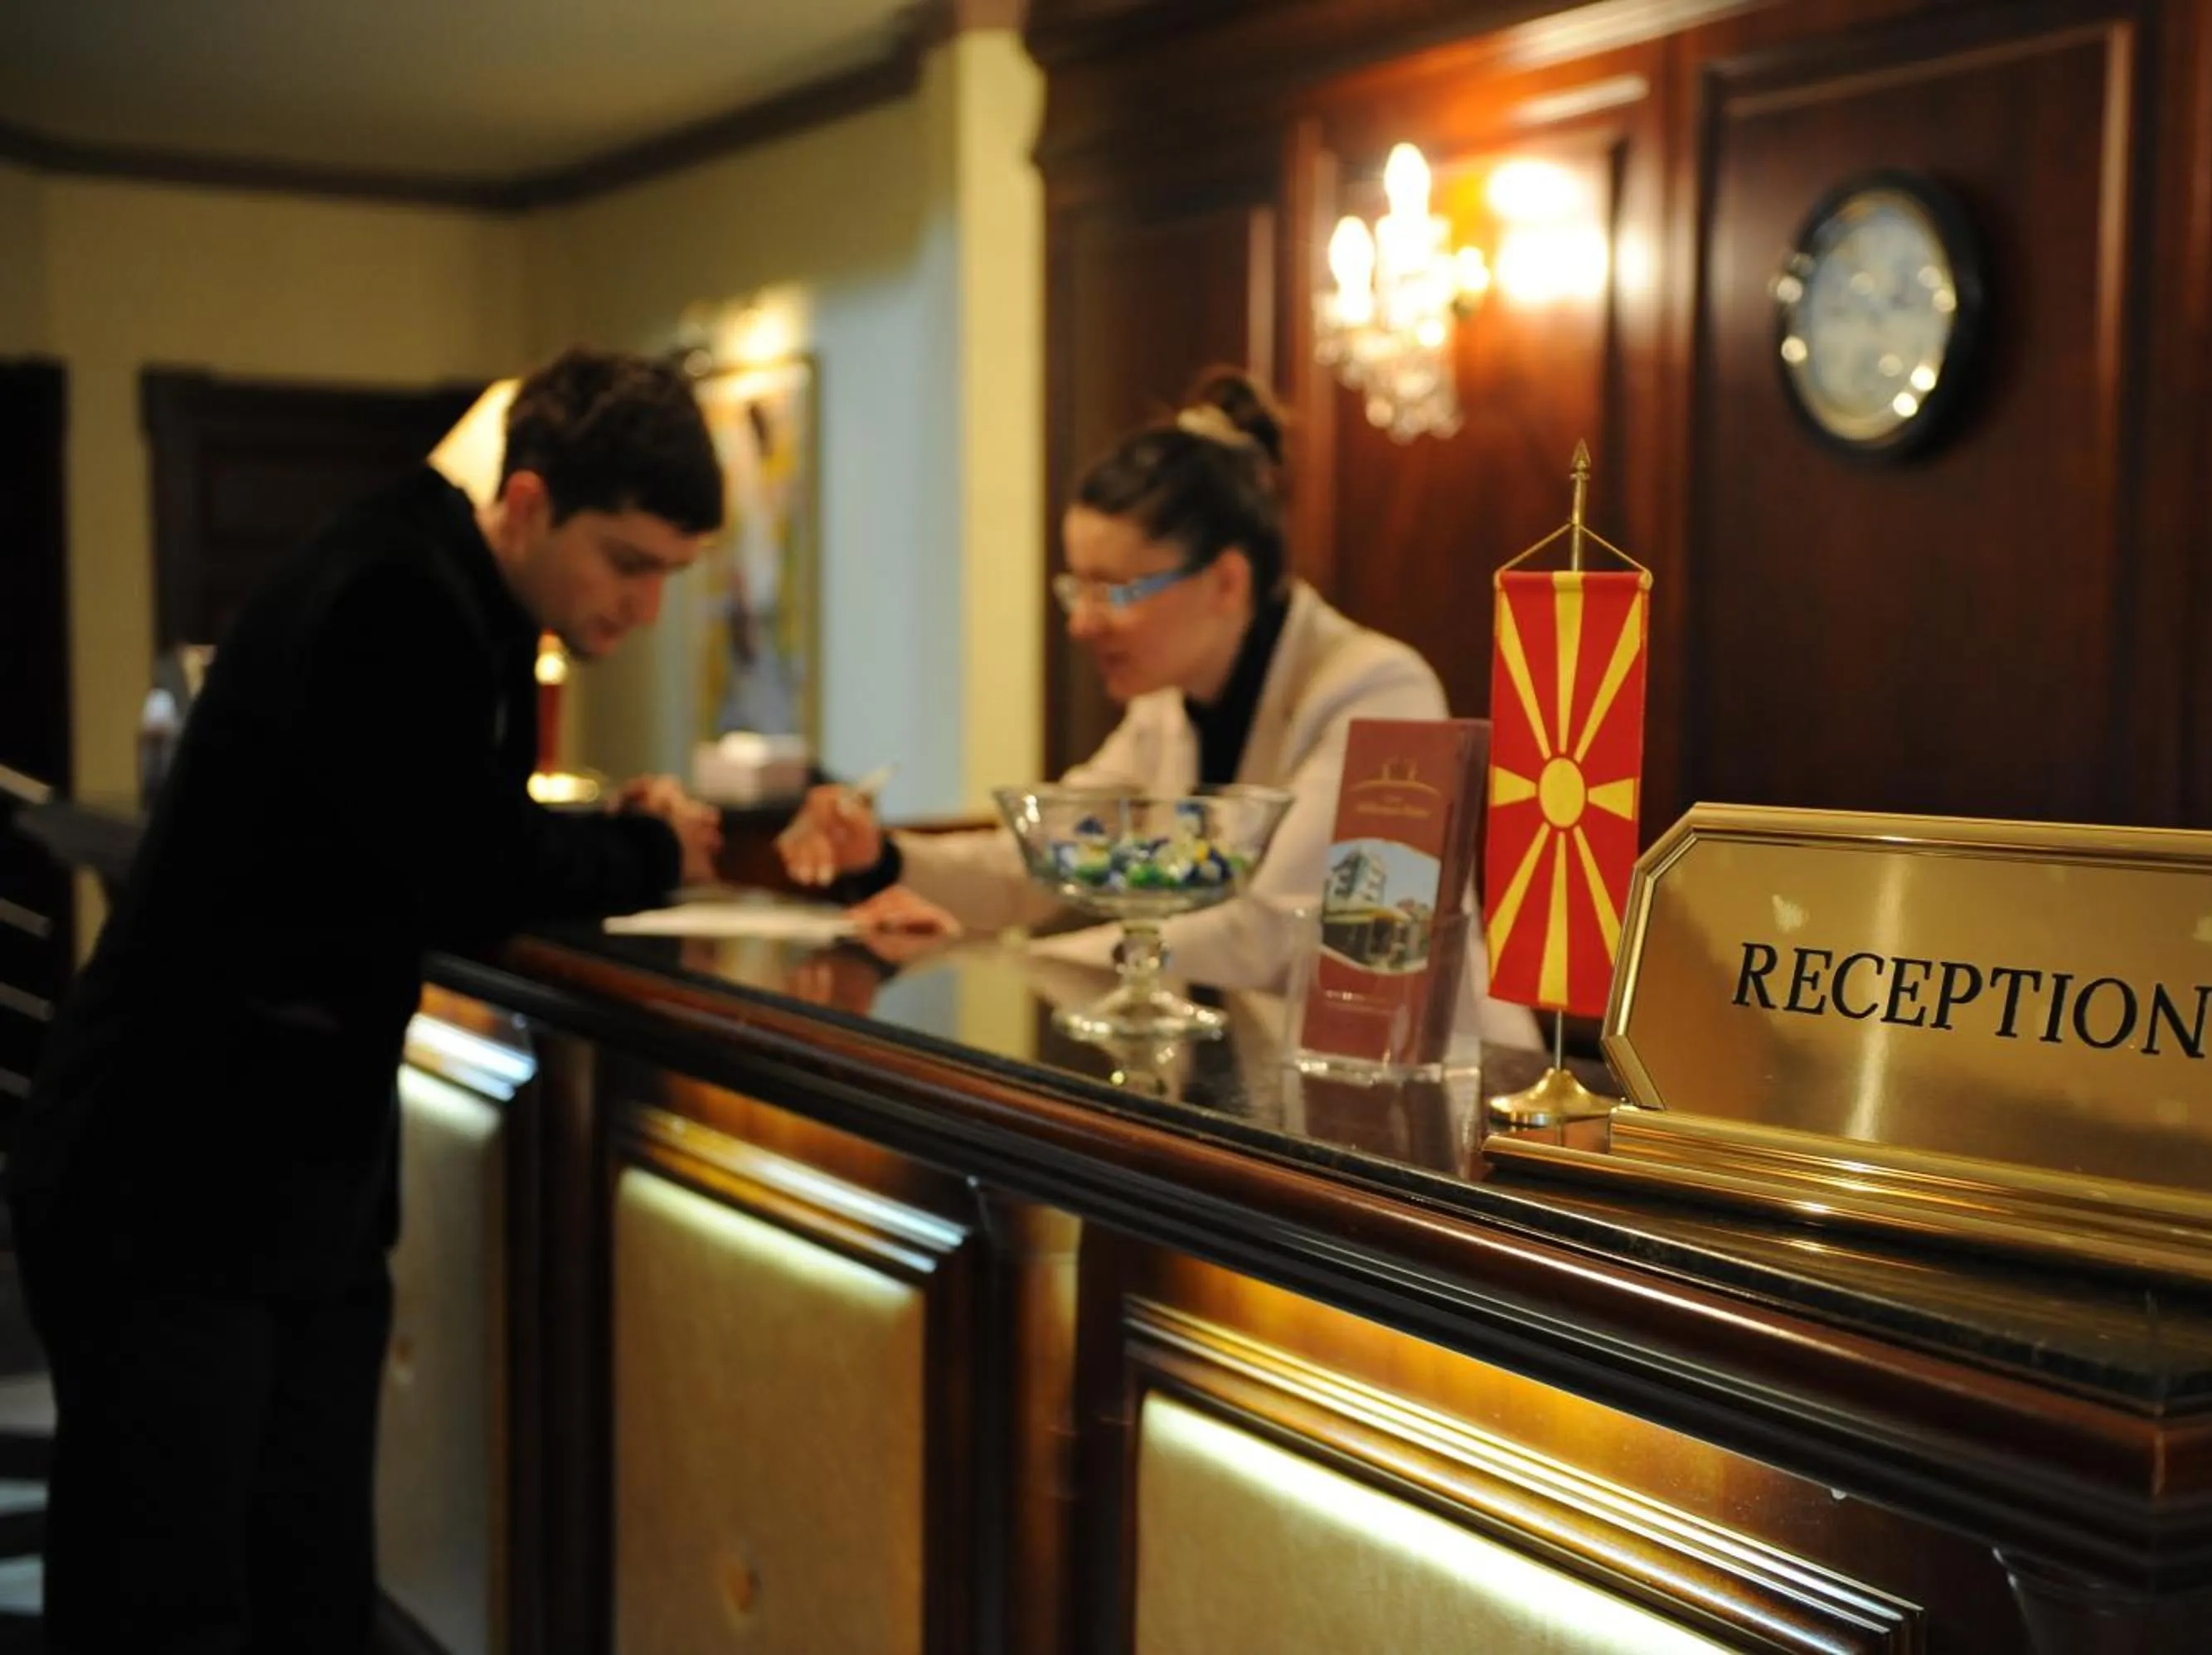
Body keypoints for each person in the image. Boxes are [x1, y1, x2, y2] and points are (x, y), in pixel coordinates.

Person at [4, 346, 726, 1653]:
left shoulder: (444, 589)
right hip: (169, 1176)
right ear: (528, 503)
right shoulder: (400, 593)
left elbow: (440, 837)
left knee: (300, 1583)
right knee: (165, 1602)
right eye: (629, 562)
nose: (647, 605)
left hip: (269, 1179)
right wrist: (651, 849)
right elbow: (466, 870)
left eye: (671, 574)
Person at [778, 368, 1530, 1046]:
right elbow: (1044, 861)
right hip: (1254, 1068)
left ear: (1227, 581)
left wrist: (995, 960)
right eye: (1078, 587)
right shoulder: (1167, 704)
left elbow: (1275, 932)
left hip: (1422, 1082)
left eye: (1116, 590)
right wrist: (883, 856)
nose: (1082, 623)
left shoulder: (1377, 690)